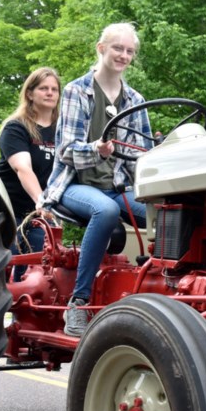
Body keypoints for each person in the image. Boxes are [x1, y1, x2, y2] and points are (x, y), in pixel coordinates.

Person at [42, 23, 153, 337]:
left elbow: (143, 151)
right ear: (101, 48)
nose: (124, 55)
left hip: (117, 187)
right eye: (118, 48)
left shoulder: (134, 99)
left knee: (170, 211)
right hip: (73, 185)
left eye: (130, 51)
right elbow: (64, 149)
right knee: (104, 210)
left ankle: (162, 290)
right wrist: (97, 150)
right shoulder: (78, 90)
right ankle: (79, 302)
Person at [0, 67, 61, 281]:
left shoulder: (63, 131)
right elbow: (23, 168)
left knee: (41, 267)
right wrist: (41, 202)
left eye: (54, 89)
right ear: (30, 94)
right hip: (6, 212)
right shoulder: (16, 128)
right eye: (43, 88)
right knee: (6, 268)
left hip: (38, 214)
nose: (50, 93)